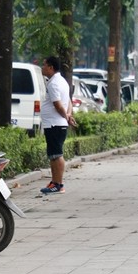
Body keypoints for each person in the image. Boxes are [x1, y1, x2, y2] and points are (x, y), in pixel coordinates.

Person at [39, 56, 76, 195]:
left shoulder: (53, 84)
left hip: (55, 124)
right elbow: (69, 103)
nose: (42, 67)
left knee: (57, 155)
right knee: (53, 155)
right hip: (55, 124)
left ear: (51, 67)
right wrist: (68, 115)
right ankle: (54, 182)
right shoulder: (62, 81)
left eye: (44, 65)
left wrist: (66, 116)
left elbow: (58, 104)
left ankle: (59, 184)